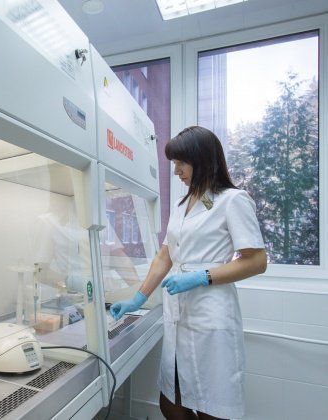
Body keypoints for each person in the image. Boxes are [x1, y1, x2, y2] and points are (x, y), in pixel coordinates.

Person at [110, 126, 267, 420]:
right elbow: (164, 256)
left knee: (212, 410)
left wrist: (201, 276)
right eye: (174, 164)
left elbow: (257, 261)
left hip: (210, 317)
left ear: (203, 159)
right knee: (170, 404)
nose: (176, 171)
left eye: (181, 163)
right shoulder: (182, 204)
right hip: (179, 318)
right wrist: (137, 298)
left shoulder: (233, 200)